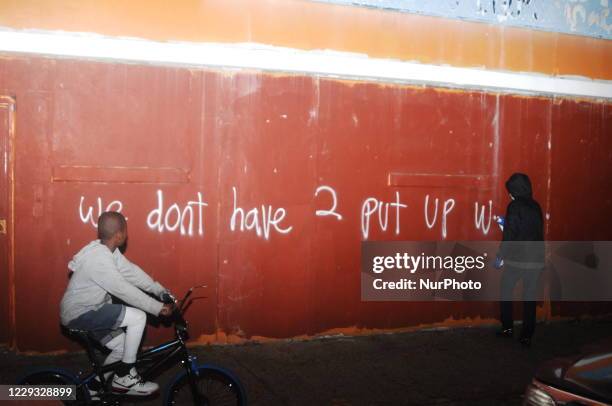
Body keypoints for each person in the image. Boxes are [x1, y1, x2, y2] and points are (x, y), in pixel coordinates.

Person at [60, 211, 173, 396]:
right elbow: (123, 289)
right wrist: (157, 308)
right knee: (138, 317)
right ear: (119, 235)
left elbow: (131, 273)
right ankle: (125, 378)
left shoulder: (108, 251)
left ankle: (93, 389)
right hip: (81, 314)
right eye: (126, 231)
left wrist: (159, 290)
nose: (127, 235)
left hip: (92, 310)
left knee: (122, 348)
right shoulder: (99, 260)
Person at [496, 173, 544, 347]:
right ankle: (527, 335)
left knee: (505, 291)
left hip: (518, 260)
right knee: (529, 297)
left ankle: (507, 328)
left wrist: (501, 255)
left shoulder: (514, 206)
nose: (509, 194)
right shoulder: (536, 206)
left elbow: (510, 235)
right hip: (536, 260)